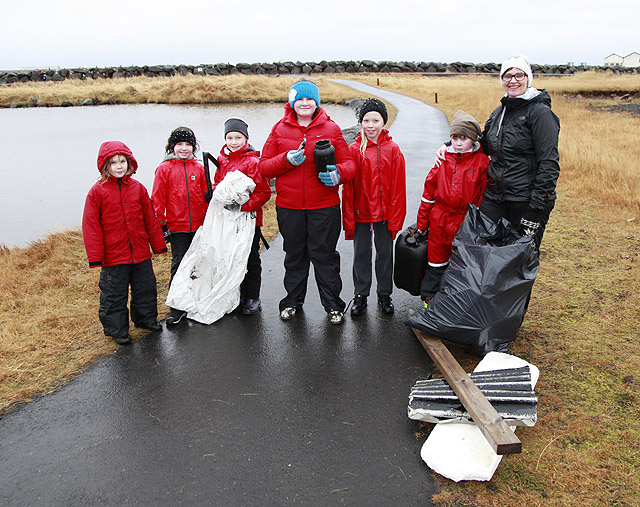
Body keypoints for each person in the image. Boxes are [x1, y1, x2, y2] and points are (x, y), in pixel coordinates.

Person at [437, 54, 560, 250]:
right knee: (484, 251)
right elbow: (484, 144)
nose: (513, 80)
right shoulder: (499, 112)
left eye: (519, 75)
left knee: (519, 258)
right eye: (507, 76)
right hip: (495, 196)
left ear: (528, 78)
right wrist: (450, 146)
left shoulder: (540, 113)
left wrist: (535, 209)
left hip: (525, 199)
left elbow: (549, 164)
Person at [259, 80, 356, 325]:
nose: (304, 103)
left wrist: (338, 174)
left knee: (324, 257)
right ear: (292, 102)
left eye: (309, 99)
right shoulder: (279, 129)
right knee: (294, 256)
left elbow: (350, 165)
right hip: (289, 207)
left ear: (316, 102)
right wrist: (286, 159)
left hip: (324, 207)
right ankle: (292, 302)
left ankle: (334, 306)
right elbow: (264, 167)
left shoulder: (332, 129)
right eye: (300, 99)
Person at [82, 141, 167, 345]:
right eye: (113, 162)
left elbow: (150, 219)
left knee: (146, 288)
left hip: (139, 251)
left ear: (130, 163)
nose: (119, 166)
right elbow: (91, 225)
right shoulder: (97, 191)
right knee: (114, 295)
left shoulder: (138, 189)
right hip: (114, 256)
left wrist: (158, 245)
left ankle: (146, 320)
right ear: (105, 166)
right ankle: (117, 330)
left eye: (122, 161)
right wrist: (96, 257)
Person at [342, 98, 406, 317]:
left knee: (385, 255)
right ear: (361, 122)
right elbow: (348, 188)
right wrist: (348, 219)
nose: (370, 125)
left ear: (383, 122)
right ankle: (361, 295)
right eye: (366, 120)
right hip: (361, 212)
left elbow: (399, 188)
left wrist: (396, 219)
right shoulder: (353, 150)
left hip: (385, 214)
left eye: (375, 120)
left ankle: (384, 294)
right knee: (361, 254)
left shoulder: (393, 149)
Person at [418, 110, 489, 304]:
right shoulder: (442, 160)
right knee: (435, 262)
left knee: (462, 264)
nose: (458, 143)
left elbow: (483, 196)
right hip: (439, 219)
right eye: (455, 138)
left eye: (463, 138)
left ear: (473, 140)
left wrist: (479, 225)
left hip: (464, 220)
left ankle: (456, 304)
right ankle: (430, 301)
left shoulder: (481, 162)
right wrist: (422, 224)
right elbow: (428, 194)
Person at [151, 127, 210, 326]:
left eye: (188, 145)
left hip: (200, 226)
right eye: (180, 145)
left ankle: (198, 299)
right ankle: (176, 307)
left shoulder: (199, 168)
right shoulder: (164, 169)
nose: (184, 148)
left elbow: (207, 197)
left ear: (193, 147)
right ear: (172, 147)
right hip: (178, 228)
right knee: (179, 265)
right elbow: (158, 199)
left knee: (200, 264)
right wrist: (161, 224)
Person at [215, 118, 271, 315]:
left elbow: (264, 192)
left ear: (245, 138)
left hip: (249, 219)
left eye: (238, 137)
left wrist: (244, 206)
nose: (233, 141)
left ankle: (252, 296)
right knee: (232, 257)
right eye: (229, 137)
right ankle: (237, 295)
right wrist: (215, 193)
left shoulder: (253, 161)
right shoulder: (222, 160)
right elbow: (218, 185)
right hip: (229, 220)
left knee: (250, 258)